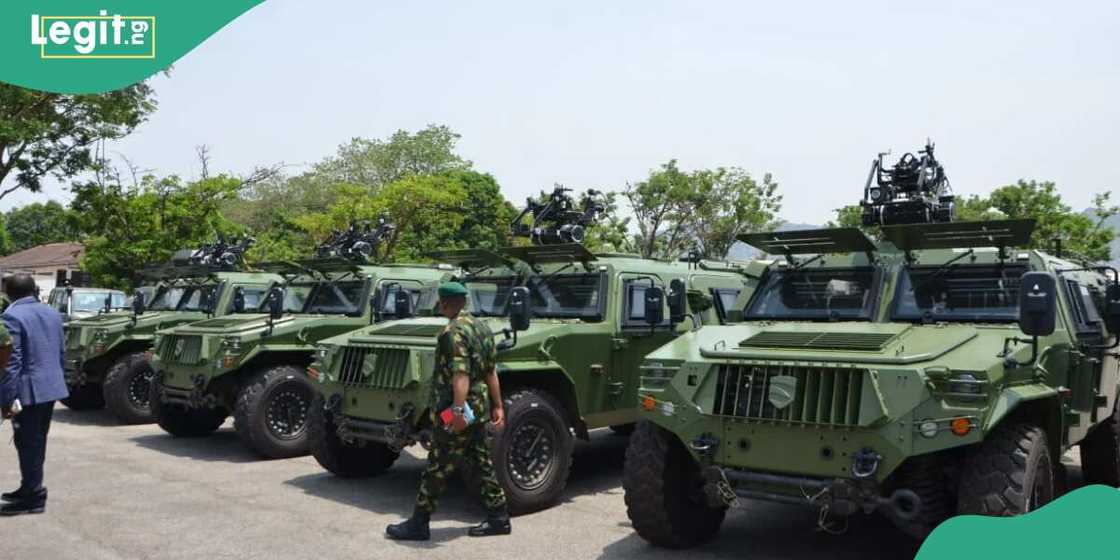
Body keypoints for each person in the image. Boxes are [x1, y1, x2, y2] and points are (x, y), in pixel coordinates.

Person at [386, 281, 511, 540]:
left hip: (460, 408)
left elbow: (460, 375)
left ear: (445, 303)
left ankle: (419, 523)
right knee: (480, 460)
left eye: (441, 305)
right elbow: (490, 371)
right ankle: (499, 517)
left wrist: (456, 411)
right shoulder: (483, 328)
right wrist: (498, 405)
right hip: (477, 407)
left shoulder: (452, 332)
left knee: (438, 463)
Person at [0, 274, 68, 516]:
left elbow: (11, 363)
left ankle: (34, 496)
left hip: (28, 391)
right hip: (50, 387)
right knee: (36, 441)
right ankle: (29, 487)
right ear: (34, 290)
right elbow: (61, 351)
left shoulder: (11, 316)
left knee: (27, 442)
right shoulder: (51, 313)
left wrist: (6, 398)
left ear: (9, 293)